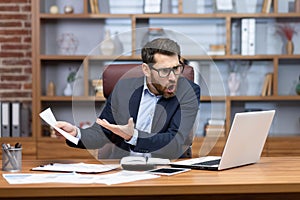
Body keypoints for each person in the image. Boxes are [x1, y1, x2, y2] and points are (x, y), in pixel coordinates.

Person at [56, 38, 201, 159]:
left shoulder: (188, 92)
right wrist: (76, 133)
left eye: (176, 68)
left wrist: (133, 137)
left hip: (166, 171)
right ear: (146, 70)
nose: (172, 77)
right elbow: (102, 132)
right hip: (123, 169)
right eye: (164, 71)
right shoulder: (124, 89)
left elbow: (174, 142)